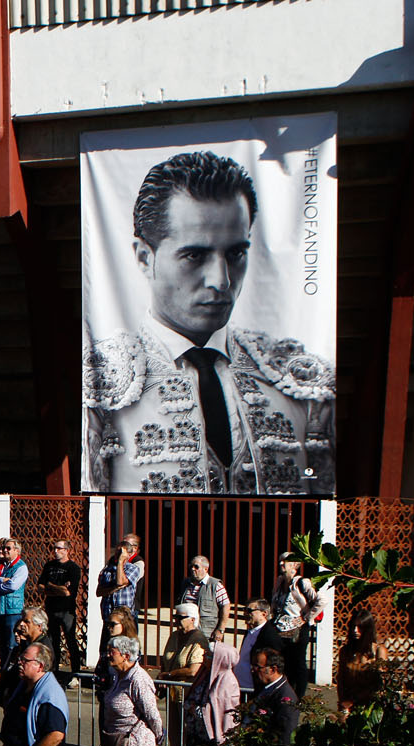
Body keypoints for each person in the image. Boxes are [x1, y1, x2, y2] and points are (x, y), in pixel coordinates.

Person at [84, 149, 335, 495]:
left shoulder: (298, 381)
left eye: (236, 254)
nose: (221, 281)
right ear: (144, 258)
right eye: (194, 255)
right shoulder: (99, 380)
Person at [84, 607, 138, 746]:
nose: (109, 628)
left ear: (123, 625)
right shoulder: (107, 643)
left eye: (112, 624)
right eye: (107, 624)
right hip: (107, 700)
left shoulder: (131, 646)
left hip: (123, 707)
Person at [183, 641, 241, 746]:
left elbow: (220, 712)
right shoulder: (205, 675)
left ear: (219, 658)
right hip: (196, 736)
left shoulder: (227, 681)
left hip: (213, 741)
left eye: (209, 655)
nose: (204, 656)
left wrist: (194, 709)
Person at [268, 553, 323, 697]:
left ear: (295, 565)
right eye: (280, 561)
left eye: (285, 562)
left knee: (298, 663)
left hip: (297, 631)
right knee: (283, 663)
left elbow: (321, 601)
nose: (281, 564)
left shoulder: (302, 583)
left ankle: (298, 696)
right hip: (280, 629)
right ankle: (284, 694)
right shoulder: (280, 582)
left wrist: (307, 618)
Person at [37, 540, 82, 682]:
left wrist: (51, 587)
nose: (55, 551)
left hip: (66, 609)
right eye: (54, 548)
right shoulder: (49, 566)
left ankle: (76, 673)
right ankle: (54, 670)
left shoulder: (73, 568)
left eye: (59, 548)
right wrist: (58, 588)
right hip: (51, 608)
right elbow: (40, 587)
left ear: (66, 550)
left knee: (70, 640)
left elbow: (68, 592)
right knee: (52, 640)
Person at [0, 538, 28, 664]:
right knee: (0, 640)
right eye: (4, 548)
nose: (5, 551)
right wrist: (2, 580)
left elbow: (12, 586)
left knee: (11, 642)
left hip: (12, 610)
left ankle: (10, 670)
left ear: (16, 551)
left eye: (8, 548)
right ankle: (3, 669)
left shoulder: (21, 567)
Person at [336, 607, 389, 714]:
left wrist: (354, 700)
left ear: (367, 629)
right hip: (347, 704)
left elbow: (379, 684)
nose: (355, 630)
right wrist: (343, 701)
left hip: (370, 705)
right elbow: (340, 679)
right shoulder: (346, 651)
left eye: (360, 627)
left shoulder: (378, 651)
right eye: (353, 626)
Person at [250, 647, 299, 746]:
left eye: (257, 667)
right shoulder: (266, 687)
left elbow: (285, 734)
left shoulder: (286, 697)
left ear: (273, 669)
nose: (253, 670)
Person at [179, 555, 232, 643]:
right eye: (191, 566)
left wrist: (220, 629)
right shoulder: (185, 584)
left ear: (206, 569)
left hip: (207, 633)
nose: (192, 569)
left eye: (196, 567)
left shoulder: (215, 585)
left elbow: (226, 606)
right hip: (186, 631)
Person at [96, 534, 145, 620]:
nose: (118, 555)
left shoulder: (135, 565)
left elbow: (120, 582)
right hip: (108, 614)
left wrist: (121, 561)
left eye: (121, 552)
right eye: (117, 552)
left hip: (124, 615)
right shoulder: (108, 569)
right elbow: (99, 592)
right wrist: (113, 589)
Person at [158, 603, 208, 681]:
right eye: (175, 617)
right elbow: (164, 662)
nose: (176, 620)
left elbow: (193, 671)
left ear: (192, 619)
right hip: (168, 688)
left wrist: (170, 674)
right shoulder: (174, 636)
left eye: (180, 617)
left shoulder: (199, 640)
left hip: (185, 689)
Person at [235, 599, 272, 690]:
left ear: (264, 614)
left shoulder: (269, 636)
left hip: (253, 688)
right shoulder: (250, 632)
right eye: (244, 610)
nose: (245, 614)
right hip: (240, 684)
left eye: (249, 611)